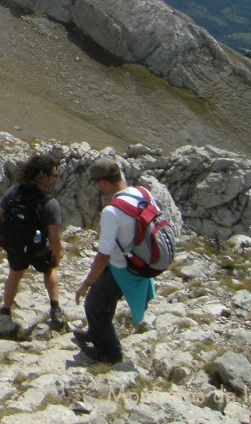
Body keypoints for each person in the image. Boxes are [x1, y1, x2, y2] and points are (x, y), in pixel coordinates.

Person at [74, 156, 158, 364]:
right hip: (139, 262)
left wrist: (87, 283)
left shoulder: (112, 211)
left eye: (97, 184)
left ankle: (111, 353)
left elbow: (104, 254)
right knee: (104, 302)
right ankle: (96, 334)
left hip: (121, 268)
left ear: (102, 183)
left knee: (94, 305)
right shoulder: (143, 193)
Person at [0, 153, 63, 322]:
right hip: (38, 248)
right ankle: (55, 309)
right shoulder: (49, 203)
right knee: (49, 270)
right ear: (43, 177)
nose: (54, 179)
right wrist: (56, 255)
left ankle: (6, 310)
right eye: (53, 175)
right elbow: (54, 237)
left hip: (15, 246)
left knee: (15, 274)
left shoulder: (14, 191)